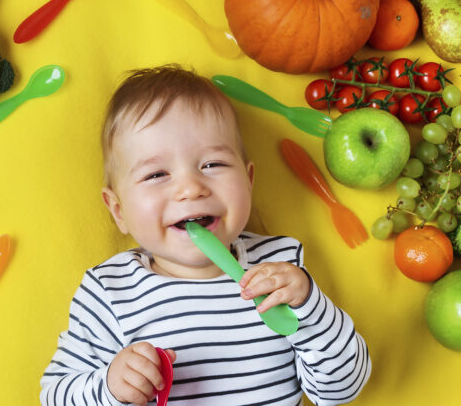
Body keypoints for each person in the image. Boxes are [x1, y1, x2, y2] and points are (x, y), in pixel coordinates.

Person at [40, 65, 370, 405]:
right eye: (156, 174)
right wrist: (110, 388)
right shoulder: (111, 290)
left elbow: (341, 390)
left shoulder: (280, 269)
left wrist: (311, 307)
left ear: (248, 181)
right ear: (118, 210)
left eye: (212, 165)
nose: (190, 188)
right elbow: (55, 396)